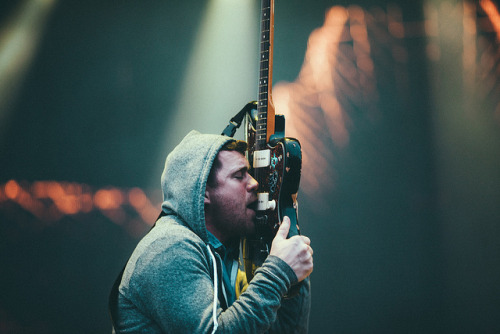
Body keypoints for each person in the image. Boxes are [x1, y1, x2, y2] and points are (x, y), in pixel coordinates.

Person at [110, 130, 313, 333]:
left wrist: (291, 274)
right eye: (239, 175)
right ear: (204, 191)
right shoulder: (170, 247)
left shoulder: (222, 257)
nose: (254, 183)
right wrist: (277, 272)